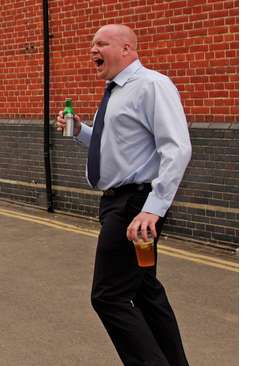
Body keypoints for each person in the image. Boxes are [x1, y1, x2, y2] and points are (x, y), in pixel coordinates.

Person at [56, 24, 192, 366]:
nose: (92, 50)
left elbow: (177, 149)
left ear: (127, 49)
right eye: (92, 44)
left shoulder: (151, 85)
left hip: (135, 205)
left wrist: (153, 209)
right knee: (146, 294)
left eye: (101, 43)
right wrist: (80, 131)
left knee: (109, 297)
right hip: (119, 201)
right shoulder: (115, 91)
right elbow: (118, 146)